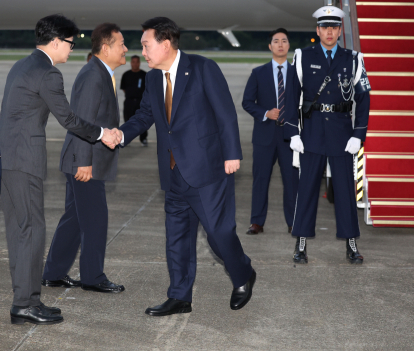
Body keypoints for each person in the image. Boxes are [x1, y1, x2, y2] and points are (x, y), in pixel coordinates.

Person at [119, 17, 255, 316]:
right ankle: (180, 296)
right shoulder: (154, 78)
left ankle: (243, 273)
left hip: (207, 170)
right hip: (172, 172)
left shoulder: (203, 68)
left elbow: (225, 113)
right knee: (177, 238)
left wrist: (233, 154)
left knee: (219, 235)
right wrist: (121, 134)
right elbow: (144, 116)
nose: (142, 52)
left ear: (165, 44)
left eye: (146, 45)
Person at [0, 14, 119, 325]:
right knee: (32, 233)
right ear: (55, 42)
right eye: (69, 43)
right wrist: (103, 133)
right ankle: (25, 304)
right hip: (25, 162)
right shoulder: (48, 73)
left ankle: (26, 301)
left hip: (8, 160)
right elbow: (69, 118)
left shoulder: (22, 65)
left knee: (20, 232)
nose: (72, 50)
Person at [42, 23, 126, 293]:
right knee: (95, 220)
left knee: (76, 218)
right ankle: (93, 277)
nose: (126, 49)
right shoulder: (94, 75)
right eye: (121, 43)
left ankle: (53, 273)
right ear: (106, 47)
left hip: (83, 158)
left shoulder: (101, 73)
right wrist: (84, 161)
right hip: (84, 161)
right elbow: (81, 121)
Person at [288, 6, 371, 265]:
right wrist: (293, 133)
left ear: (339, 30)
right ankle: (300, 245)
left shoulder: (353, 58)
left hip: (342, 134)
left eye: (334, 27)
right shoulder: (302, 56)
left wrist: (359, 133)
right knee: (307, 189)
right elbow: (291, 96)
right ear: (318, 30)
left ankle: (352, 245)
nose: (329, 32)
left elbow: (364, 97)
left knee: (346, 191)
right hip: (311, 133)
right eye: (325, 27)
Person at [242, 28, 299, 235]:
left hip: (290, 137)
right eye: (276, 41)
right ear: (270, 46)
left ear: (288, 45)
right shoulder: (258, 73)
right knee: (260, 179)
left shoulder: (297, 74)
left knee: (292, 181)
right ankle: (257, 222)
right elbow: (247, 102)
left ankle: (294, 222)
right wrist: (266, 112)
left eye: (284, 41)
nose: (280, 44)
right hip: (264, 136)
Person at [120, 54, 148, 145]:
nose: (135, 64)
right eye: (133, 62)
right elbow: (124, 88)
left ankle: (143, 138)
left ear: (139, 63)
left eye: (137, 62)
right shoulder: (126, 75)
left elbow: (148, 89)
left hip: (141, 102)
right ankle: (127, 138)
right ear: (131, 63)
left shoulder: (145, 75)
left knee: (142, 121)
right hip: (129, 102)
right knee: (128, 120)